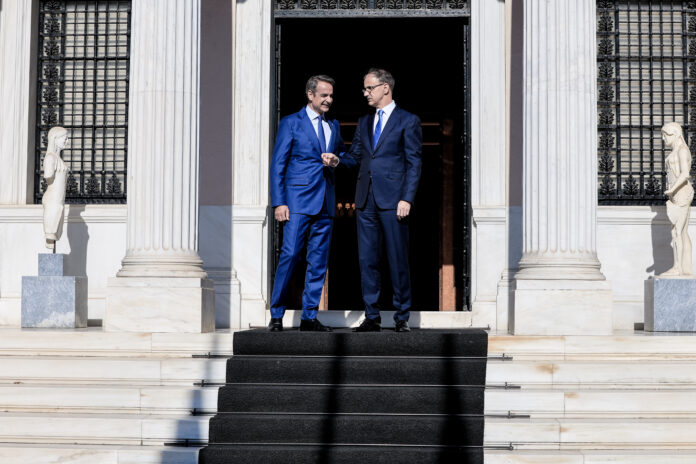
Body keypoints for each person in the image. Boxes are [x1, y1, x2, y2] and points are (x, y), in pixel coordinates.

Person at [324, 68, 422, 332]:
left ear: (385, 88)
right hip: (365, 200)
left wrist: (407, 198)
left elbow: (414, 163)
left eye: (369, 88)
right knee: (367, 260)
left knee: (397, 259)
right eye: (365, 88)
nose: (365, 93)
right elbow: (356, 157)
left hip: (394, 201)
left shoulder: (408, 120)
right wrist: (337, 160)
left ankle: (402, 317)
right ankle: (372, 316)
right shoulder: (364, 122)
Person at [268, 75, 350, 332]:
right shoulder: (291, 122)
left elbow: (343, 154)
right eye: (324, 95)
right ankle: (276, 315)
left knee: (318, 261)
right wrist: (279, 202)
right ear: (310, 94)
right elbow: (278, 164)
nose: (329, 100)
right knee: (291, 254)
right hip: (297, 201)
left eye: (331, 95)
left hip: (325, 202)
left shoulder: (333, 125)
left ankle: (309, 317)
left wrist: (337, 160)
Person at [660, 122, 694, 276]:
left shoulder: (682, 150)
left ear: (675, 134)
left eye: (666, 135)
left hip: (681, 193)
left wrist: (672, 189)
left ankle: (677, 267)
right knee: (682, 231)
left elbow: (685, 173)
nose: (663, 138)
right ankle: (685, 269)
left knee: (676, 231)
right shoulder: (676, 150)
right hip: (677, 194)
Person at [42, 126, 70, 252]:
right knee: (51, 231)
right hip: (52, 201)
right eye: (65, 138)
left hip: (58, 201)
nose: (67, 141)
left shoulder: (58, 158)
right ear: (55, 139)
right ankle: (49, 240)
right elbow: (48, 176)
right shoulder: (50, 158)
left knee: (56, 230)